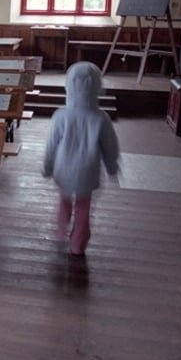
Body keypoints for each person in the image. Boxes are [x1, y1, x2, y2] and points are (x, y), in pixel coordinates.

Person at [42, 61, 120, 257]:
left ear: (68, 86)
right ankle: (78, 243)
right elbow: (110, 147)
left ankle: (61, 231)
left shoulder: (61, 116)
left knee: (64, 200)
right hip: (88, 171)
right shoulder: (101, 118)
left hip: (63, 170)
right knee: (84, 209)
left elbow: (51, 145)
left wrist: (47, 167)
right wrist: (112, 167)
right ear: (98, 87)